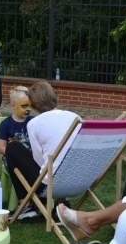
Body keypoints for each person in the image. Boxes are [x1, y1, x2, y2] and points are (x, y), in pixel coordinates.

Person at [6, 81, 80, 220]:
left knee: (13, 148)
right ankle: (62, 203)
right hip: (79, 181)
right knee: (62, 159)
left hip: (50, 185)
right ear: (54, 97)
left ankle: (26, 204)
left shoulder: (34, 123)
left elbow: (39, 160)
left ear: (33, 105)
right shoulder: (75, 117)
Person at [0, 85, 33, 157]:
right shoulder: (6, 124)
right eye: (24, 106)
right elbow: (1, 147)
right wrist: (15, 155)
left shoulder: (33, 122)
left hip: (31, 157)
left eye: (30, 106)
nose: (28, 109)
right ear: (13, 105)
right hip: (13, 159)